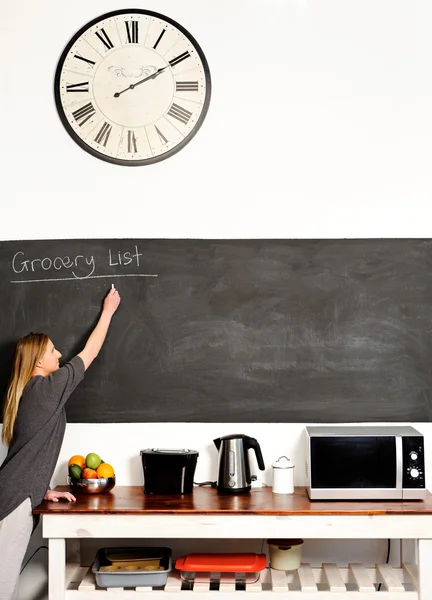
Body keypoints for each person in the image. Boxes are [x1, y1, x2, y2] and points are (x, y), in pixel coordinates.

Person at [0, 286, 121, 600]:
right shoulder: (44, 389)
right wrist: (107, 312)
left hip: (14, 493)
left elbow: (28, 453)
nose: (59, 354)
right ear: (39, 361)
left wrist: (43, 490)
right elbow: (89, 353)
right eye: (53, 350)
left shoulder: (29, 392)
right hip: (14, 502)